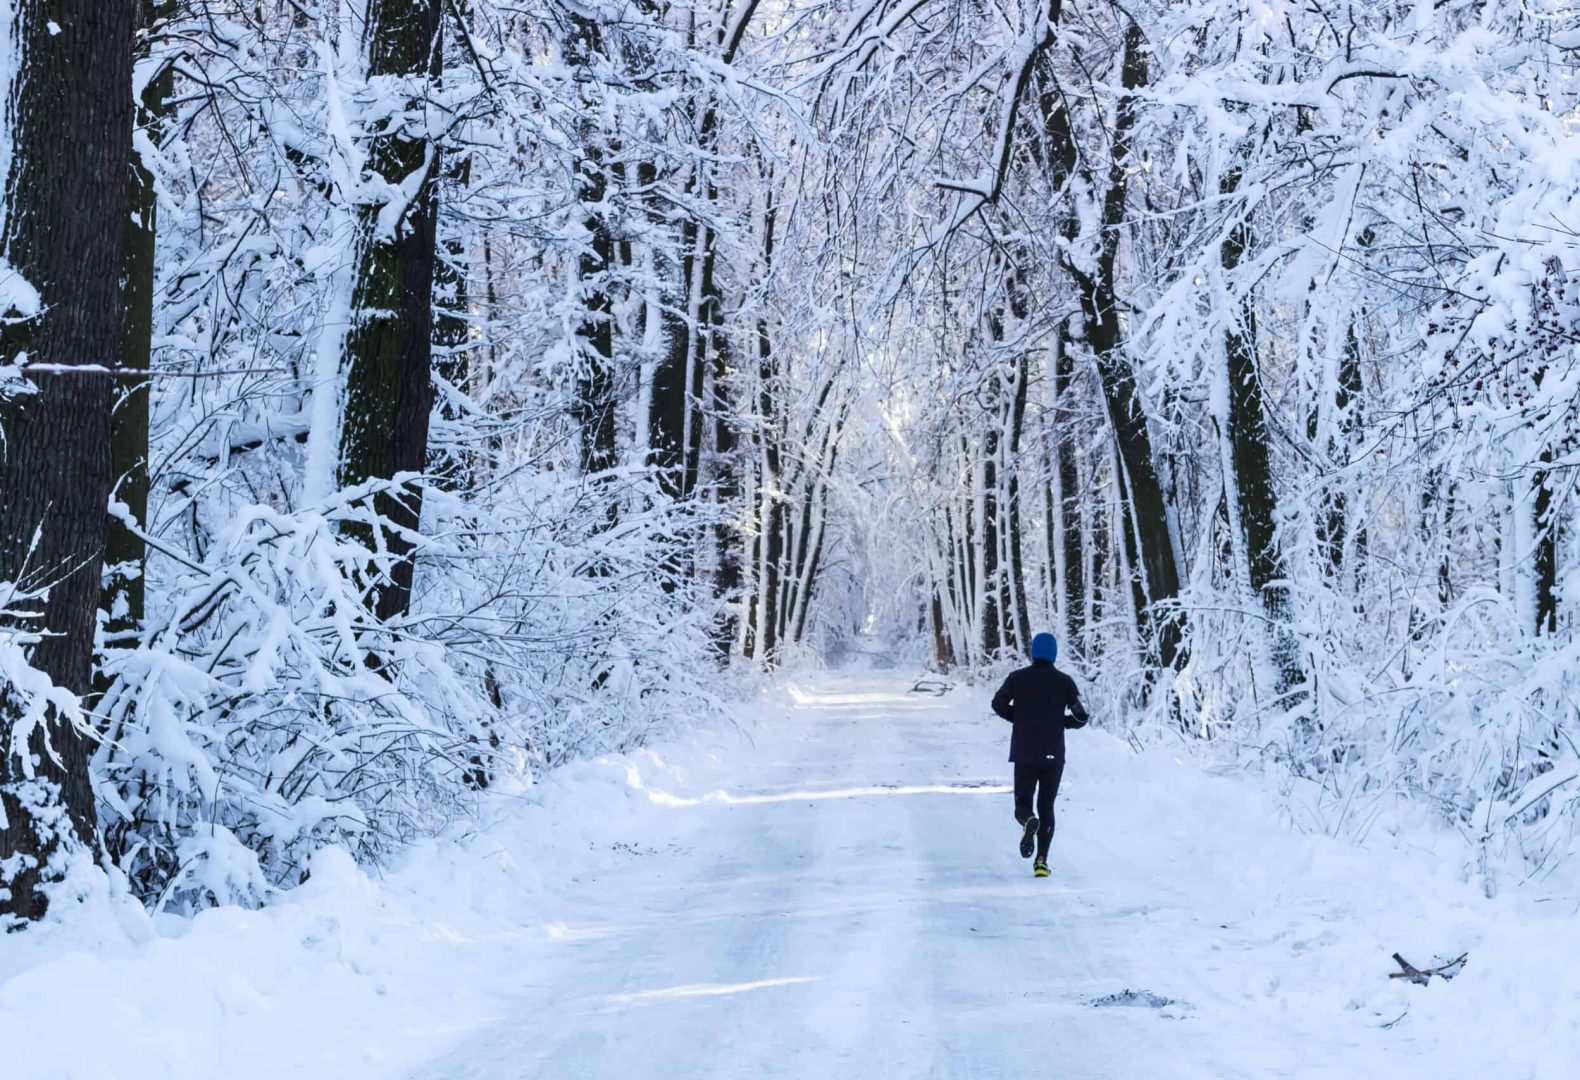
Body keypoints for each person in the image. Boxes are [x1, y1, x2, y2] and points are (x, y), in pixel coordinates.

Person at [991, 632, 1088, 878]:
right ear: (1054, 653)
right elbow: (1081, 716)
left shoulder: (1017, 678)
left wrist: (1019, 718)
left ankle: (1027, 821)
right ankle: (1041, 862)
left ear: (1033, 652)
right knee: (1047, 807)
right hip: (1053, 755)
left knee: (1022, 805)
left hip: (1024, 752)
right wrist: (1061, 722)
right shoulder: (1064, 682)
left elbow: (997, 704)